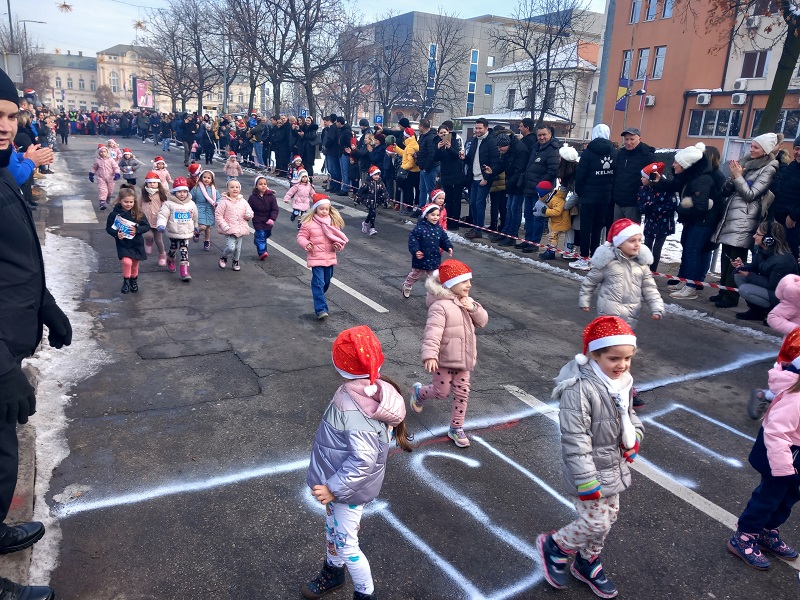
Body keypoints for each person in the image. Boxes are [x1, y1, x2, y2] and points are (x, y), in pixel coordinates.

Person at [0, 68, 64, 600]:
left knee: (1, 462)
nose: (4, 125)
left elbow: (13, 261)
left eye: (9, 115)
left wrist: (48, 306)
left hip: (11, 338)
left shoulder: (1, 174)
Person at [301, 325, 412, 600]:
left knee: (348, 544)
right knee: (333, 533)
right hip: (339, 484)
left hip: (346, 490)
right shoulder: (367, 389)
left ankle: (365, 594)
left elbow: (363, 460)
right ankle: (333, 573)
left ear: (340, 365)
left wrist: (333, 489)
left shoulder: (352, 404)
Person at [537, 316, 643, 599]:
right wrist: (586, 480)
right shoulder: (579, 388)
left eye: (628, 358)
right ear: (593, 354)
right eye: (614, 358)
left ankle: (587, 562)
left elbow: (630, 416)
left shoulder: (620, 382)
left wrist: (636, 438)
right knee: (596, 522)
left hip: (612, 465)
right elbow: (575, 438)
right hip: (588, 471)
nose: (622, 365)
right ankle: (556, 546)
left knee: (610, 517)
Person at [728, 326, 800, 571]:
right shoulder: (794, 399)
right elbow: (775, 432)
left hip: (795, 459)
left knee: (788, 499)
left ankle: (768, 531)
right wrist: (783, 468)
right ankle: (745, 535)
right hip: (781, 456)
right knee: (769, 497)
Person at [409, 259, 489, 448]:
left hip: (464, 360)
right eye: (464, 281)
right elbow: (433, 332)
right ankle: (419, 392)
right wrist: (430, 355)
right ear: (450, 284)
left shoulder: (467, 302)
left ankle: (456, 427)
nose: (469, 285)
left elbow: (483, 321)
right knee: (441, 392)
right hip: (444, 361)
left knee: (462, 393)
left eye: (469, 281)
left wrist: (474, 308)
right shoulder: (440, 306)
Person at [713, 133, 781, 308]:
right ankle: (722, 290)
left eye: (756, 147)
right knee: (726, 255)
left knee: (737, 256)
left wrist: (738, 177)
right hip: (732, 216)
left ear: (765, 151)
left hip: (746, 218)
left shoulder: (769, 168)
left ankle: (731, 297)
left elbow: (751, 195)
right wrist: (734, 176)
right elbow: (725, 190)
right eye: (751, 146)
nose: (751, 149)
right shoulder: (745, 163)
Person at [647, 143, 716, 301]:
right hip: (692, 220)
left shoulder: (701, 180)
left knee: (693, 250)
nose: (673, 164)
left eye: (677, 162)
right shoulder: (688, 176)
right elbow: (674, 185)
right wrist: (659, 182)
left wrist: (680, 208)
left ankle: (690, 287)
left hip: (703, 222)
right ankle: (684, 281)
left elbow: (700, 207)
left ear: (686, 165)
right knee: (686, 248)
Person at [580, 218, 664, 328]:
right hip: (607, 315)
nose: (637, 244)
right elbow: (589, 282)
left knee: (624, 344)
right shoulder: (607, 263)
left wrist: (657, 308)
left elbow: (650, 288)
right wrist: (584, 300)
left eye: (639, 240)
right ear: (619, 243)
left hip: (631, 317)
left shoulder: (642, 266)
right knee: (607, 344)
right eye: (632, 241)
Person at [730, 220, 799, 321]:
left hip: (784, 297)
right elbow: (756, 266)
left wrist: (749, 275)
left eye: (758, 234)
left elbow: (772, 285)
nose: (754, 236)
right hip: (773, 291)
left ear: (768, 239)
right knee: (738, 275)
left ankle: (775, 312)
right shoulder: (764, 250)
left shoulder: (782, 260)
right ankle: (756, 311)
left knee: (745, 289)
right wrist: (743, 265)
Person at [570, 124, 617, 270]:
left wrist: (580, 192)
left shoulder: (588, 152)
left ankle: (584, 258)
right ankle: (595, 257)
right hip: (605, 197)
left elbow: (581, 175)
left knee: (586, 228)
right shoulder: (614, 152)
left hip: (589, 197)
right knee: (597, 228)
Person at [296, 194, 349, 319]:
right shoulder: (309, 223)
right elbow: (301, 237)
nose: (324, 211)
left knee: (325, 282)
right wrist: (306, 244)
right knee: (318, 283)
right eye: (321, 209)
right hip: (316, 258)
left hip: (330, 258)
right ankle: (321, 309)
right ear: (315, 209)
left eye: (327, 209)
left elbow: (338, 239)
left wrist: (338, 246)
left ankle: (318, 295)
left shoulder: (333, 223)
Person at [519, 125, 560, 249]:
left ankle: (534, 243)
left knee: (538, 218)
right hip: (529, 188)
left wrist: (540, 185)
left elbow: (553, 171)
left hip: (541, 191)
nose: (541, 137)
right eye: (539, 135)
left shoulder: (552, 149)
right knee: (528, 216)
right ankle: (528, 240)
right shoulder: (535, 148)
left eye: (544, 135)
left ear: (550, 135)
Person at [105, 184, 150, 294]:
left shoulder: (138, 213)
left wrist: (137, 229)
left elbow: (146, 226)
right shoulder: (114, 214)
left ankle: (133, 280)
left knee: (134, 263)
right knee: (127, 261)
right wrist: (116, 234)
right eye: (126, 202)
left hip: (136, 242)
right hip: (123, 243)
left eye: (131, 202)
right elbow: (108, 228)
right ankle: (126, 280)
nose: (129, 204)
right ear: (120, 201)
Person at [403, 203, 454, 298]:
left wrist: (448, 247)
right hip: (421, 258)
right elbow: (413, 241)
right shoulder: (419, 228)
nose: (435, 217)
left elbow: (444, 240)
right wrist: (416, 251)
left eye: (438, 215)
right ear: (426, 215)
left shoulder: (439, 229)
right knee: (415, 275)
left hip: (434, 258)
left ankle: (436, 294)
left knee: (435, 278)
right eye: (433, 215)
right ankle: (407, 285)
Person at [540, 147, 579, 259]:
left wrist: (564, 206)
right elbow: (563, 189)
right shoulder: (569, 173)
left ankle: (568, 251)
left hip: (574, 205)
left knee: (570, 228)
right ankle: (567, 251)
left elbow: (577, 194)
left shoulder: (575, 175)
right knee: (568, 227)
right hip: (570, 204)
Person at [157, 177, 198, 281]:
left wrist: (196, 226)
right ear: (174, 192)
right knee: (173, 248)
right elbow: (163, 215)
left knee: (184, 251)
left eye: (184, 191)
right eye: (179, 191)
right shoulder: (168, 204)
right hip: (173, 231)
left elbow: (195, 216)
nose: (182, 194)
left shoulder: (191, 204)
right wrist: (161, 224)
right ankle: (170, 259)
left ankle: (184, 271)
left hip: (186, 232)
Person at [464, 119, 500, 238]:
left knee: (480, 203)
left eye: (480, 128)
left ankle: (478, 229)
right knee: (473, 203)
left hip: (484, 178)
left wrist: (487, 178)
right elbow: (470, 158)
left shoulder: (491, 141)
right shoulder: (475, 140)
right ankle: (475, 226)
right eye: (476, 128)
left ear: (486, 128)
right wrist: (463, 157)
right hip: (473, 176)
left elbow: (495, 163)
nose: (477, 130)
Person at [612, 127, 656, 223]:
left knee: (631, 234)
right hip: (618, 201)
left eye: (632, 139)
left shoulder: (647, 155)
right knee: (618, 233)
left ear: (639, 139)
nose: (628, 142)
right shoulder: (621, 153)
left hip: (633, 202)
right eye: (626, 139)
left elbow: (654, 177)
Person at [493, 132, 529, 246]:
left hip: (518, 184)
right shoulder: (508, 149)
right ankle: (506, 232)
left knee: (515, 209)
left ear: (507, 144)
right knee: (509, 208)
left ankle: (512, 235)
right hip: (511, 182)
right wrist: (492, 171)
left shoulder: (520, 149)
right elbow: (502, 164)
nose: (499, 150)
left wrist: (509, 183)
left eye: (500, 147)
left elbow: (520, 170)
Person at [636, 162, 672, 272]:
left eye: (643, 177)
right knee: (647, 246)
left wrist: (653, 207)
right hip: (650, 223)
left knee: (657, 248)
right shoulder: (643, 189)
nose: (641, 179)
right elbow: (640, 205)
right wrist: (646, 207)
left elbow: (670, 206)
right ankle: (645, 269)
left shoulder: (665, 189)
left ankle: (653, 271)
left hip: (663, 223)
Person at [769, 135, 800, 258]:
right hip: (781, 223)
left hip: (795, 224)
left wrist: (793, 216)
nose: (798, 153)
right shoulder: (791, 167)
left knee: (791, 259)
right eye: (797, 148)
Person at [215, 178, 253, 272]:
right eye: (232, 187)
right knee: (231, 247)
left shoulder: (243, 201)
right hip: (229, 228)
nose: (235, 189)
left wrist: (249, 215)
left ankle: (236, 261)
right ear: (227, 189)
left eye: (237, 187)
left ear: (239, 189)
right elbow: (218, 214)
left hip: (240, 228)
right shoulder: (224, 202)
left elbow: (249, 211)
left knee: (238, 248)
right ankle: (224, 257)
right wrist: (224, 225)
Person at [434, 123, 466, 230]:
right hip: (446, 175)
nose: (443, 135)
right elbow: (435, 158)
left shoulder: (454, 141)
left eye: (445, 133)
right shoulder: (437, 143)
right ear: (438, 134)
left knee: (457, 199)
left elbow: (457, 155)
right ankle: (448, 219)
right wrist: (438, 149)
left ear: (448, 132)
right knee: (448, 198)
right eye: (441, 133)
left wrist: (449, 147)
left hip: (457, 174)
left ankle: (455, 221)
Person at [141, 172, 168, 266]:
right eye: (150, 182)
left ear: (158, 183)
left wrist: (165, 218)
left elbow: (165, 206)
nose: (152, 184)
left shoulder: (160, 194)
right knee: (148, 235)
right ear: (146, 183)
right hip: (146, 221)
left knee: (159, 241)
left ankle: (162, 255)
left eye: (154, 182)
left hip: (158, 221)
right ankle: (148, 242)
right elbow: (138, 205)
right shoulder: (143, 194)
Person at [248, 175, 278, 260]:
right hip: (257, 219)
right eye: (261, 184)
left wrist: (272, 218)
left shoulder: (271, 196)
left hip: (268, 220)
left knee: (266, 234)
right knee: (261, 235)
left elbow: (275, 209)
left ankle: (257, 239)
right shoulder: (252, 197)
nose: (263, 185)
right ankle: (262, 252)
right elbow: (248, 208)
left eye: (265, 184)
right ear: (256, 186)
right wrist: (247, 216)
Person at [191, 169, 221, 252]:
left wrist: (218, 202)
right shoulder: (196, 188)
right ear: (201, 178)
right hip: (199, 208)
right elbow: (191, 197)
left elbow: (219, 198)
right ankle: (196, 232)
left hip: (210, 209)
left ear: (212, 180)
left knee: (208, 228)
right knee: (203, 226)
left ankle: (207, 240)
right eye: (204, 177)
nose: (206, 179)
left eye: (208, 178)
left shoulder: (214, 190)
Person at [356, 165, 389, 236]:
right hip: (368, 200)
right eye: (375, 175)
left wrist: (386, 199)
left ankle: (365, 223)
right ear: (371, 175)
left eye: (377, 175)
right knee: (373, 212)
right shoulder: (367, 183)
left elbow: (384, 191)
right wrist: (357, 198)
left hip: (377, 201)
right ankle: (372, 228)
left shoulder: (380, 183)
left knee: (371, 213)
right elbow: (360, 191)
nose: (377, 176)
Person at [395, 127, 421, 214]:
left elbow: (411, 162)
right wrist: (396, 149)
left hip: (411, 172)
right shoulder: (412, 144)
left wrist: (403, 167)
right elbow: (405, 154)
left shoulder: (410, 146)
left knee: (409, 190)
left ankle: (409, 208)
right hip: (415, 171)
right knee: (413, 190)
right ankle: (412, 206)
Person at [89, 143, 121, 210]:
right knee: (103, 190)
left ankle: (108, 196)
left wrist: (117, 173)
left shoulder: (110, 160)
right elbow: (94, 167)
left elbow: (116, 167)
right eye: (101, 152)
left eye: (104, 152)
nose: (103, 153)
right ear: (99, 153)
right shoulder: (97, 160)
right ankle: (102, 202)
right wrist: (91, 174)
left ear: (107, 152)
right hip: (101, 177)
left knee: (110, 190)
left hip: (111, 177)